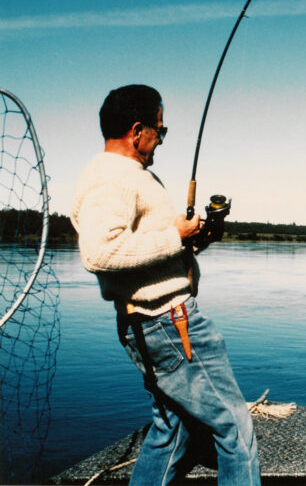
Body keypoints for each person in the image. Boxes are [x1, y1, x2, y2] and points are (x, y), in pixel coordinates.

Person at [70, 84, 260, 485]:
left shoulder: (122, 175)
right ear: (137, 131)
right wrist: (175, 237)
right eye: (160, 129)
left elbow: (144, 246)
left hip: (152, 323)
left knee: (173, 429)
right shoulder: (112, 179)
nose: (162, 138)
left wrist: (191, 238)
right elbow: (100, 253)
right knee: (235, 429)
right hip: (170, 322)